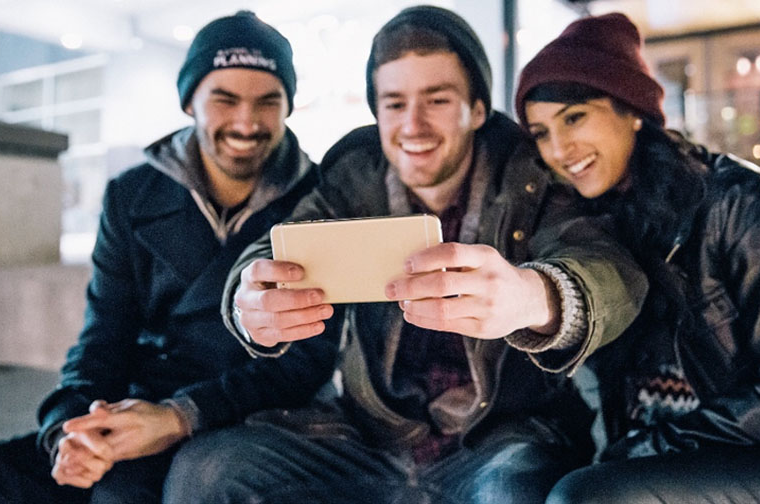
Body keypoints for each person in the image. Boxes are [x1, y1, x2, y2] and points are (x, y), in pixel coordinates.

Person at [161, 6, 647, 504]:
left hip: (503, 438)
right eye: (394, 104)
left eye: (436, 100)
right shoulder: (355, 175)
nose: (412, 125)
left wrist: (535, 296)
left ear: (477, 110)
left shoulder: (530, 174)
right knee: (206, 471)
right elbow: (278, 244)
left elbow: (607, 265)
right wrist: (249, 298)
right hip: (367, 436)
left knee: (515, 489)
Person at [0, 11, 335, 504]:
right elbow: (104, 334)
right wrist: (73, 430)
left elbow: (306, 365)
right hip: (139, 401)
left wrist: (180, 416)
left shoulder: (318, 201)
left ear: (288, 107)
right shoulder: (133, 196)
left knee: (124, 490)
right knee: (0, 476)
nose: (246, 121)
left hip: (245, 413)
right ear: (189, 101)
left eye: (267, 101)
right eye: (225, 99)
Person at [513, 12, 760, 503]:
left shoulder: (736, 203)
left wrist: (654, 446)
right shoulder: (591, 227)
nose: (560, 149)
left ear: (631, 109)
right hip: (663, 454)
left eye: (574, 117)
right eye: (541, 132)